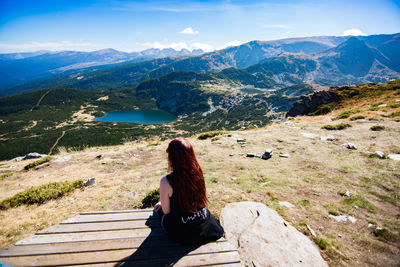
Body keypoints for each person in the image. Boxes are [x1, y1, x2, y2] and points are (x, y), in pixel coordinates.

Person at [154, 137, 224, 245]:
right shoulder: (198, 172)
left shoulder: (166, 181)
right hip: (203, 222)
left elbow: (167, 211)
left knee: (160, 213)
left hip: (183, 230)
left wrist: (160, 202)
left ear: (172, 157)